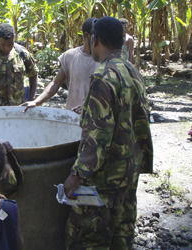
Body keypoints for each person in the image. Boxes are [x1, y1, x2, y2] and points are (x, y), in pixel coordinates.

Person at [63, 17, 153, 249]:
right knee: (121, 236)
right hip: (128, 172)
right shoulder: (131, 70)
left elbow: (97, 134)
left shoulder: (104, 76)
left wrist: (78, 174)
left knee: (87, 238)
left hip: (104, 180)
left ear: (95, 40)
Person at [21, 18, 100, 114]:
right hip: (72, 115)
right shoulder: (71, 56)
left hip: (95, 119)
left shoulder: (105, 59)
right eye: (96, 36)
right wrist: (36, 102)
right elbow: (56, 83)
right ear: (87, 35)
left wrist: (88, 106)